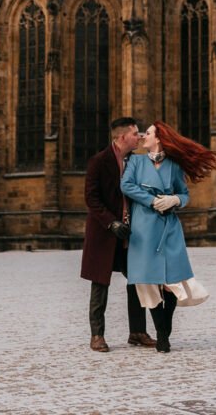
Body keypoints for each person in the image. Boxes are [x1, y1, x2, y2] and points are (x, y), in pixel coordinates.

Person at [121, 121, 216, 353]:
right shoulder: (135, 161)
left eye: (150, 132)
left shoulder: (174, 166)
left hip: (169, 228)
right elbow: (126, 185)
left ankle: (164, 332)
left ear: (159, 138)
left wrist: (175, 200)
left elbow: (184, 195)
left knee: (171, 281)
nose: (144, 135)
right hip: (144, 229)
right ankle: (162, 335)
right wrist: (152, 200)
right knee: (148, 283)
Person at [80, 116, 157, 353]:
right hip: (105, 233)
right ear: (122, 137)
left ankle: (137, 332)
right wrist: (111, 223)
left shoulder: (137, 161)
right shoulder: (99, 161)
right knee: (100, 283)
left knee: (136, 280)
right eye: (136, 133)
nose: (140, 136)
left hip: (129, 234)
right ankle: (97, 335)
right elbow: (92, 199)